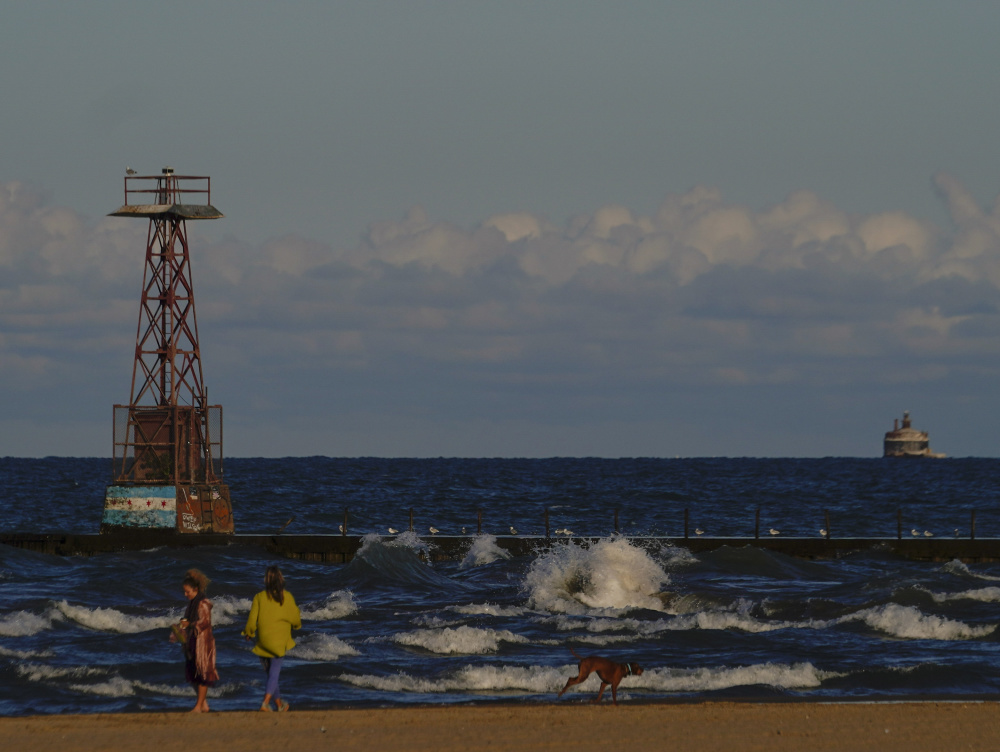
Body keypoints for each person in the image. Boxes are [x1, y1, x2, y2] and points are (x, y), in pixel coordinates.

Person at [242, 565, 301, 711]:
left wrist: (249, 633)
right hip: (279, 640)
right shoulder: (287, 596)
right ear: (281, 579)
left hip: (262, 639)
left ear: (266, 580)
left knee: (271, 674)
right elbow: (295, 619)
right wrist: (296, 626)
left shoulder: (259, 597)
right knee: (274, 673)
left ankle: (279, 705)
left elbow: (252, 620)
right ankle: (265, 702)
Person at [172, 568, 219, 713]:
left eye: (188, 592)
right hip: (191, 642)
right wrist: (178, 631)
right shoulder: (191, 604)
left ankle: (198, 706)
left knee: (202, 674)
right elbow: (186, 621)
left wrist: (189, 624)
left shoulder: (203, 603)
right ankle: (203, 704)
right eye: (185, 592)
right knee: (192, 674)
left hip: (202, 643)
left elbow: (205, 622)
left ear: (196, 589)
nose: (186, 595)